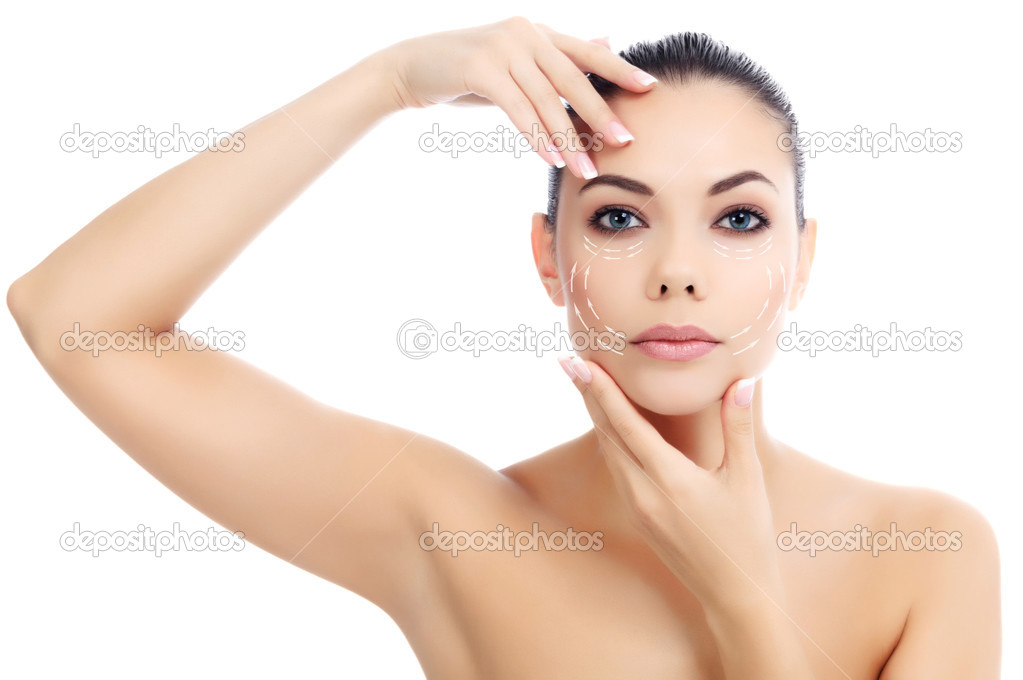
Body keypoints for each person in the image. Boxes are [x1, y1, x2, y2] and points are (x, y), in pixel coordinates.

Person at [6, 16, 1000, 679]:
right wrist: (390, 78)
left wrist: (742, 597)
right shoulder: (455, 526)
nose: (678, 273)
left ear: (804, 255)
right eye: (618, 219)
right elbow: (72, 313)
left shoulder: (929, 553)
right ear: (547, 256)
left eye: (738, 220)